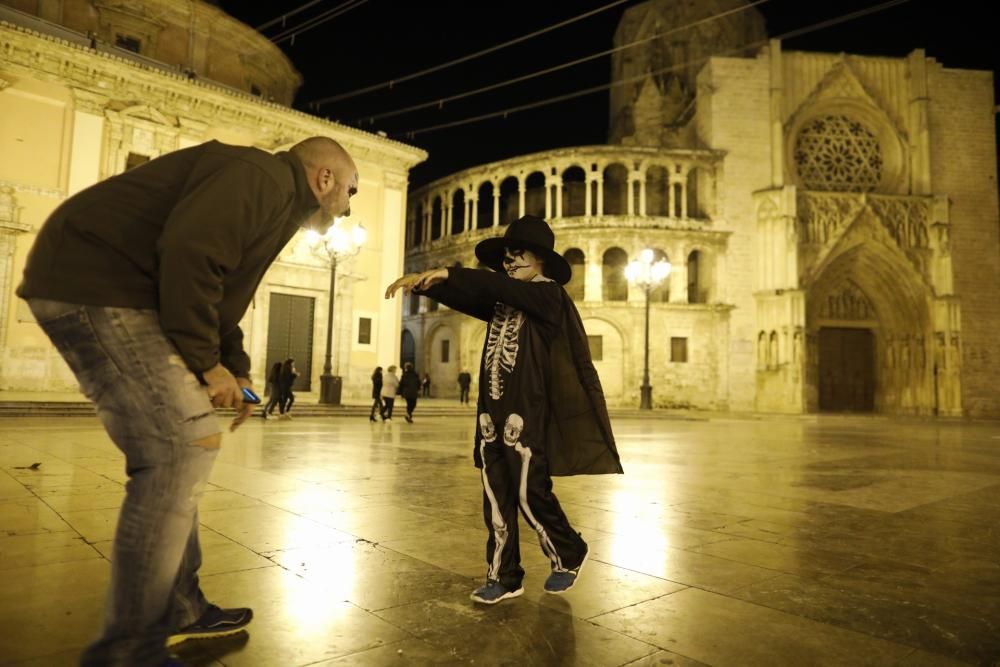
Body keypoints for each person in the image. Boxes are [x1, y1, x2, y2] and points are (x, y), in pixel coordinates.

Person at [17, 135, 359, 665]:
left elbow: (220, 295)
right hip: (99, 283)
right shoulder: (263, 178)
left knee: (180, 451)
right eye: (350, 192)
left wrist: (238, 375)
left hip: (111, 288)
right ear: (325, 180)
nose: (349, 207)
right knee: (180, 449)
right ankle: (131, 650)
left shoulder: (273, 197)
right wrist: (205, 362)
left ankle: (180, 608)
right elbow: (191, 255)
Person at [386, 215, 622, 605]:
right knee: (495, 496)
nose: (510, 263)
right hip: (490, 415)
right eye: (507, 257)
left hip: (526, 414)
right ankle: (505, 575)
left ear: (542, 260)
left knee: (531, 492)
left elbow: (489, 284)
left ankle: (568, 550)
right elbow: (473, 296)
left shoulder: (549, 297)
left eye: (519, 255)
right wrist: (431, 284)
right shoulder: (505, 301)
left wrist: (449, 270)